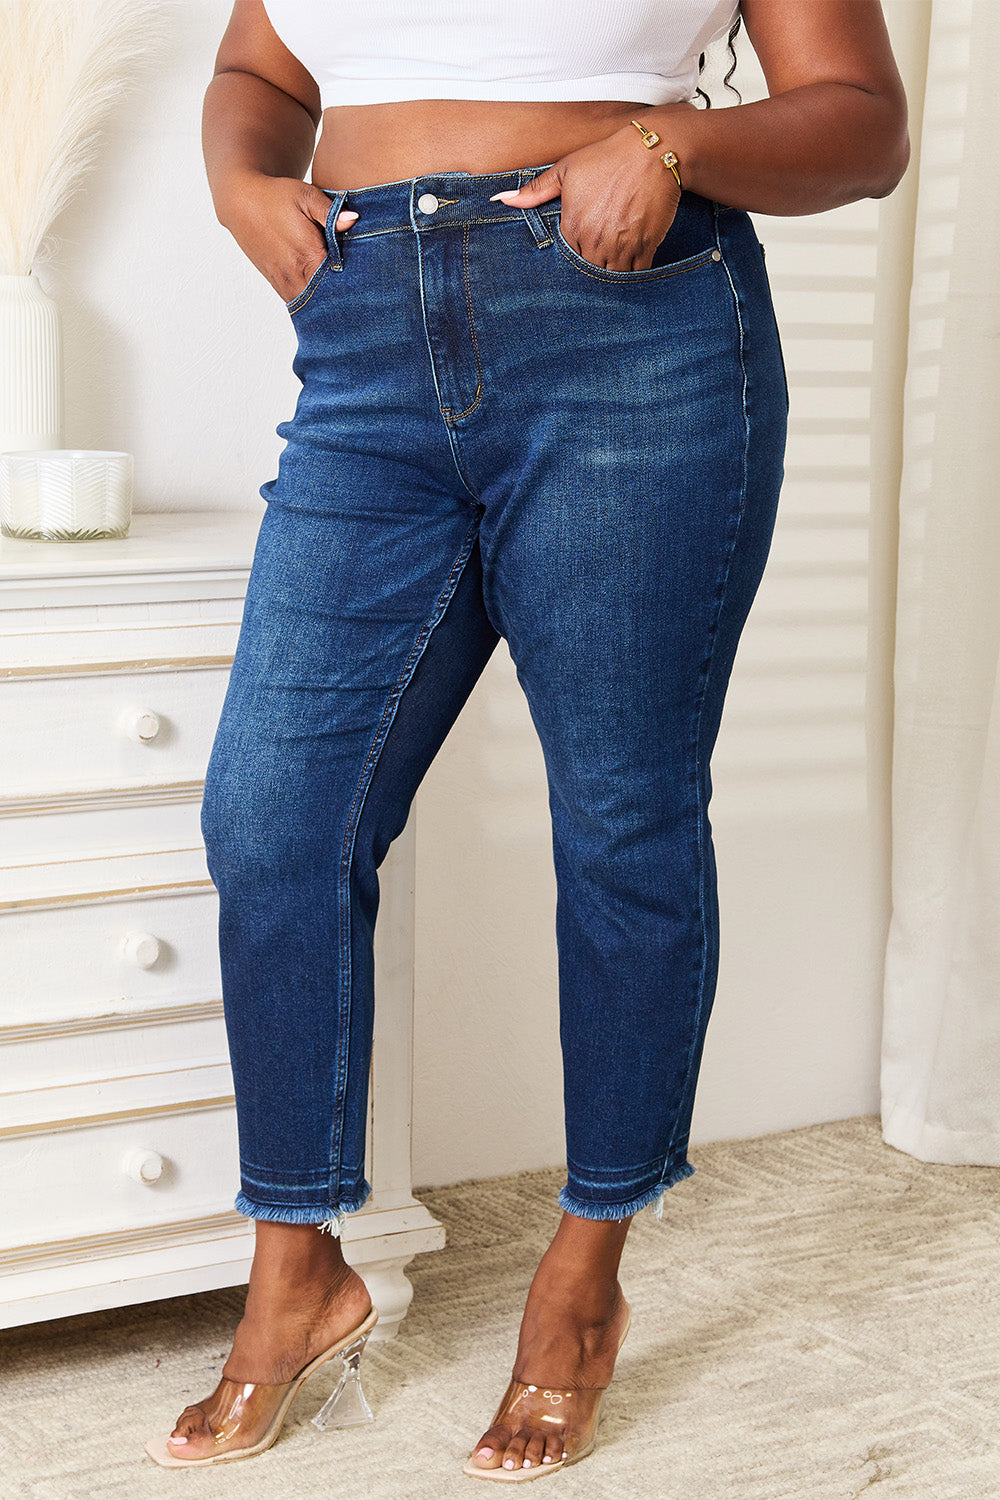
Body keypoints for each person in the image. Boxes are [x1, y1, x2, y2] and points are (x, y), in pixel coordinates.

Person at [144, 0, 908, 1478]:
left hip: (635, 334)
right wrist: (244, 181)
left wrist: (669, 141)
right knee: (275, 818)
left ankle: (582, 1283)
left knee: (621, 817)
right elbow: (258, 65)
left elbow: (863, 121)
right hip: (364, 338)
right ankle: (297, 1272)